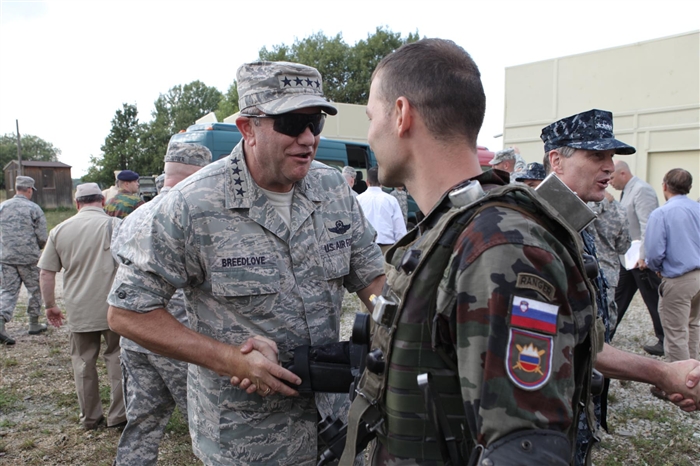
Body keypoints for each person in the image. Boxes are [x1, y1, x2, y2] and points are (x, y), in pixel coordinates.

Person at [339, 42, 700, 466]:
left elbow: (527, 447)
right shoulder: (459, 226)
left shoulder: (500, 244)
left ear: (401, 114)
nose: (369, 132)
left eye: (370, 116)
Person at [107, 61, 385, 466]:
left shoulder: (333, 190)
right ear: (247, 128)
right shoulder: (192, 204)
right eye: (291, 123)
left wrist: (402, 332)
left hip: (335, 424)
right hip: (245, 441)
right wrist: (230, 359)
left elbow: (372, 278)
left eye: (315, 123)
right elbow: (126, 313)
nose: (308, 138)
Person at [542, 108, 700, 464]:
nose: (610, 167)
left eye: (611, 157)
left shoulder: (572, 220)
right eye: (596, 155)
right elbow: (577, 342)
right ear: (556, 160)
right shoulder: (535, 233)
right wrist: (664, 373)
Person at [112, 142, 211, 465]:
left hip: (136, 337)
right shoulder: (194, 214)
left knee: (142, 422)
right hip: (178, 340)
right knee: (207, 426)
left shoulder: (135, 214)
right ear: (202, 172)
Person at [38, 183, 126, 430]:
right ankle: (119, 415)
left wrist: (50, 305)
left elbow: (46, 273)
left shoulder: (59, 230)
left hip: (79, 309)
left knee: (83, 362)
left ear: (77, 203)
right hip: (115, 308)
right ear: (102, 201)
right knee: (118, 358)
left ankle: (90, 417)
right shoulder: (116, 225)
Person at [608, 160, 665, 354]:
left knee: (653, 299)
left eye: (612, 177)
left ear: (623, 173)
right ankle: (607, 333)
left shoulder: (642, 190)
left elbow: (647, 224)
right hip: (628, 258)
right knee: (618, 296)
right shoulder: (627, 191)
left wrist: (644, 256)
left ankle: (665, 339)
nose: (610, 182)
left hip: (640, 260)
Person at [645, 168, 700, 363]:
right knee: (693, 327)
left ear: (665, 186)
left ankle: (680, 385)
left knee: (675, 333)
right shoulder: (698, 209)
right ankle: (694, 377)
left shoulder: (661, 213)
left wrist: (656, 267)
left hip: (679, 278)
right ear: (689, 187)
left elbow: (653, 252)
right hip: (698, 277)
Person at [0, 175, 48, 345]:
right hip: (29, 258)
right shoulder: (34, 209)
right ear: (29, 189)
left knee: (8, 291)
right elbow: (42, 236)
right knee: (35, 289)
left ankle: (1, 321)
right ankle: (34, 324)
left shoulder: (2, 207)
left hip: (6, 257)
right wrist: (38, 247)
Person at [586, 190, 631, 332]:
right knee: (606, 313)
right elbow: (623, 246)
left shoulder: (581, 204)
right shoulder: (619, 210)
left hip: (584, 265)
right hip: (608, 271)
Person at [357, 166, 407, 254]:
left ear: (367, 182)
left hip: (364, 248)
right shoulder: (391, 200)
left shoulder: (357, 200)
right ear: (382, 183)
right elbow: (399, 229)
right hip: (387, 248)